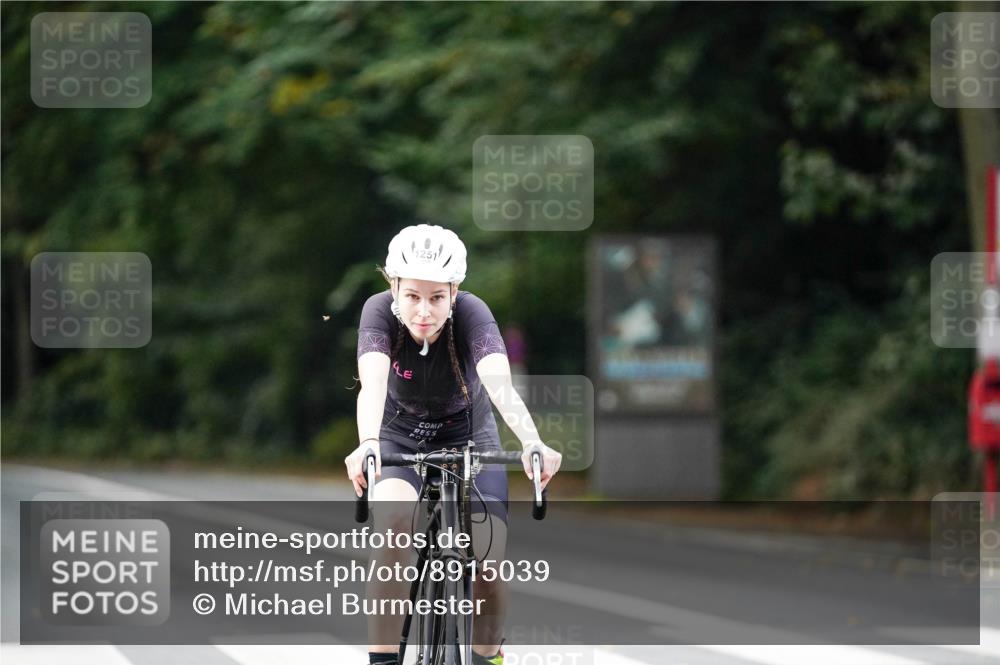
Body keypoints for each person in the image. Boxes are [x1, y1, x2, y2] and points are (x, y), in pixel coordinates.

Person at [345, 224, 562, 665]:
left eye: (437, 297)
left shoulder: (472, 313)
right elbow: (372, 385)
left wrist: (531, 440)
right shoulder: (377, 312)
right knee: (392, 528)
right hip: (398, 435)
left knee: (488, 562)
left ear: (454, 292)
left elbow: (500, 384)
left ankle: (488, 656)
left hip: (469, 435)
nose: (424, 311)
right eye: (412, 296)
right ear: (394, 287)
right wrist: (367, 442)